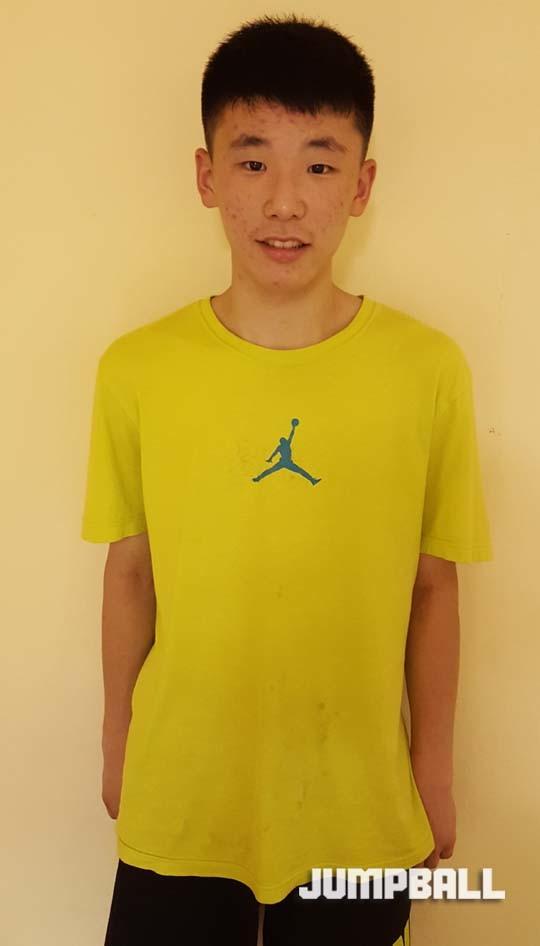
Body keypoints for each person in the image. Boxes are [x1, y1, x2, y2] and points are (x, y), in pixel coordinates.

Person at [80, 13, 493, 946]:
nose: (284, 201)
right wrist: (117, 741)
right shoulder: (136, 368)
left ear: (361, 185)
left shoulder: (428, 368)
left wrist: (433, 770)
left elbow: (433, 586)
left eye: (319, 163)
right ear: (206, 175)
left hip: (359, 803)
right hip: (180, 793)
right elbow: (131, 571)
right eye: (253, 159)